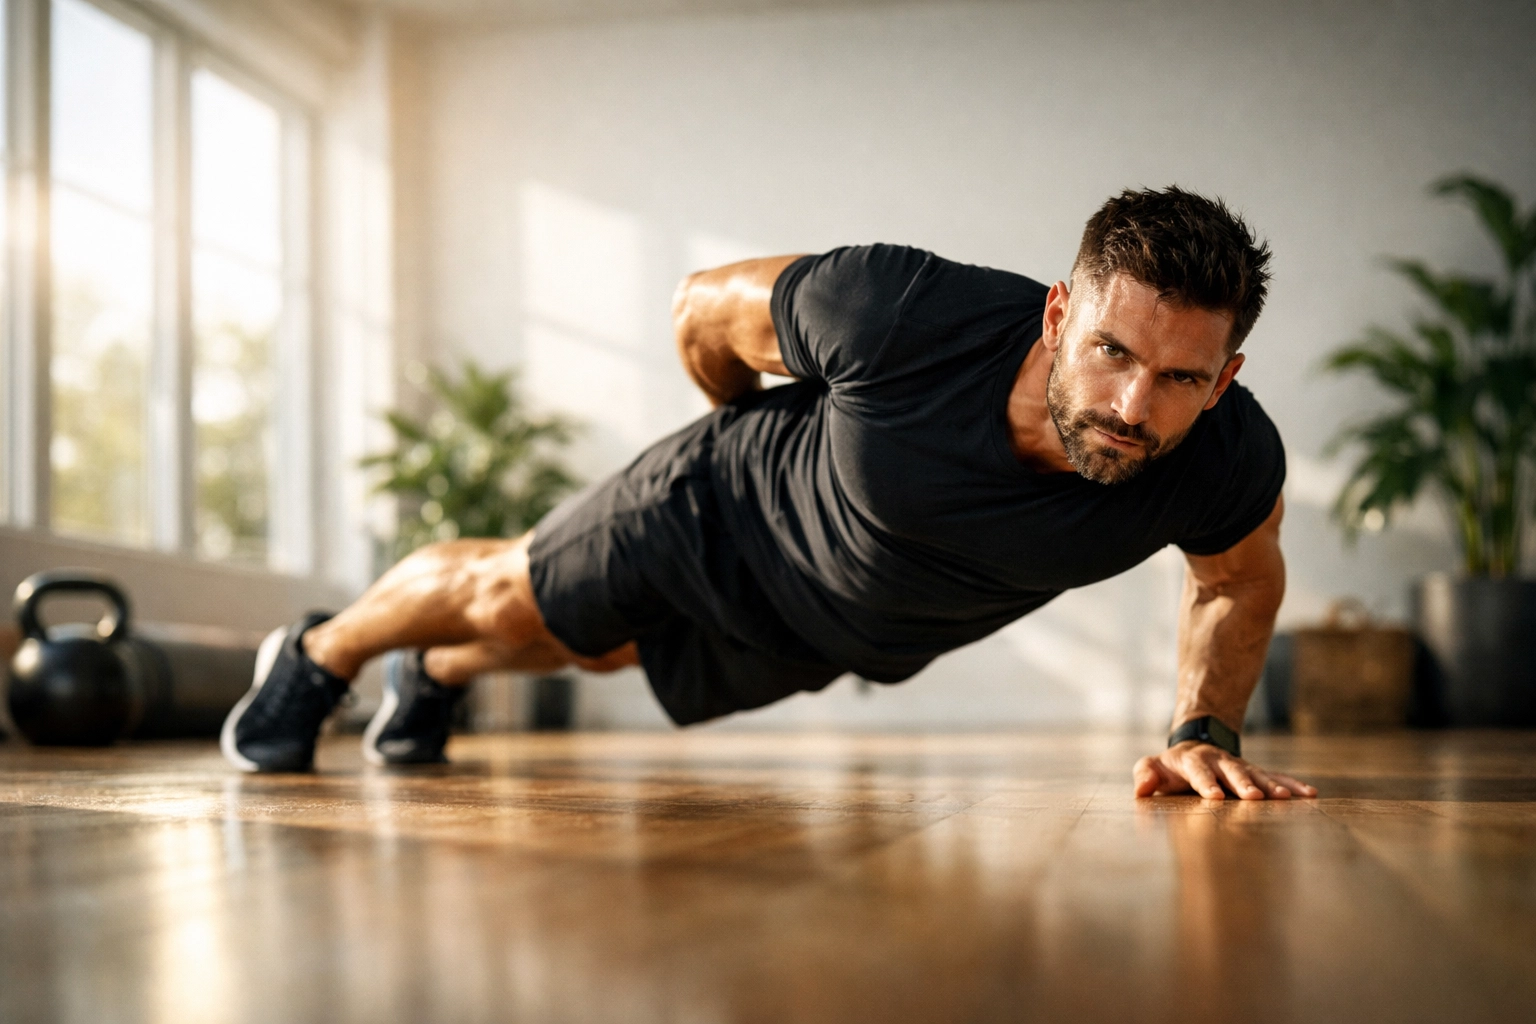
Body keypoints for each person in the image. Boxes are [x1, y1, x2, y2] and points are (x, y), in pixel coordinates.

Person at [222, 185, 1317, 802]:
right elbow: (701, 307)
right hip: (720, 505)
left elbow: (1234, 580)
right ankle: (320, 654)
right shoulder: (899, 312)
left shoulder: (1225, 459)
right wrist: (736, 428)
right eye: (1112, 351)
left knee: (597, 651)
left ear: (1224, 379)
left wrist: (1203, 726)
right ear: (1058, 315)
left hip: (827, 625)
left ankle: (431, 670)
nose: (1132, 405)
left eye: (1180, 378)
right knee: (516, 597)